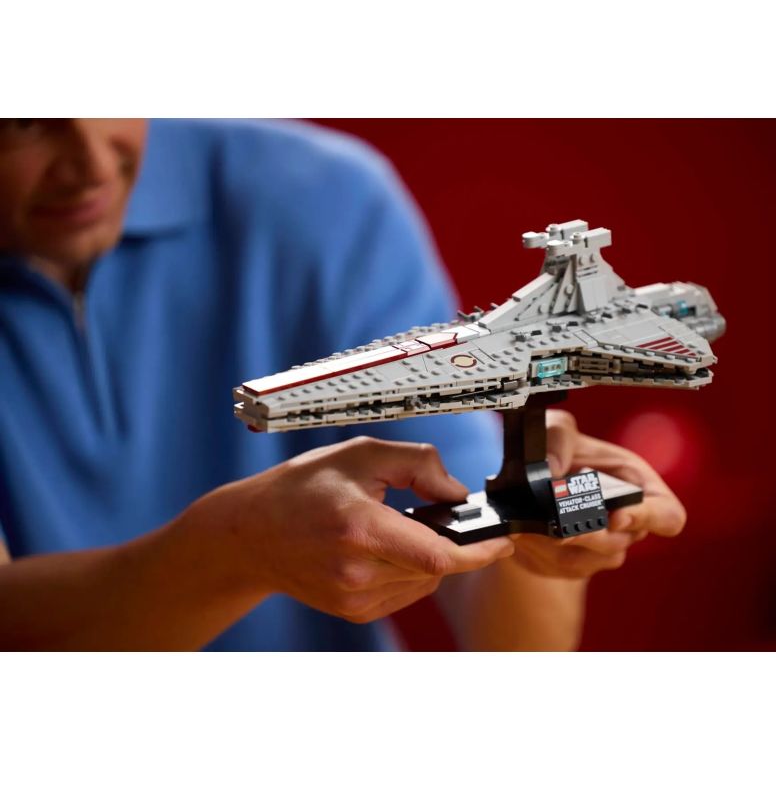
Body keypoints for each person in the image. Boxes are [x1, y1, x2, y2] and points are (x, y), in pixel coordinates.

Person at [0, 119, 686, 651]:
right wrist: (236, 548)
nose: (93, 165)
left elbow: (508, 626)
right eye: (24, 123)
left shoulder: (327, 198)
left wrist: (538, 535)